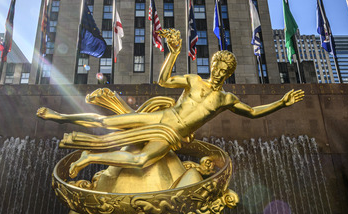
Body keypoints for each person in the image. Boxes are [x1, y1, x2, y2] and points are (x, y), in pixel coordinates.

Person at [37, 29, 305, 177]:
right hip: (162, 117)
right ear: (211, 65)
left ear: (229, 73)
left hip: (173, 134)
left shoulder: (226, 98)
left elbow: (253, 112)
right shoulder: (193, 80)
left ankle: (90, 157)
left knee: (141, 160)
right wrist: (174, 52)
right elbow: (164, 81)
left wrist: (281, 103)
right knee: (108, 122)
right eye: (216, 66)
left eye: (224, 70)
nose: (218, 72)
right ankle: (59, 116)